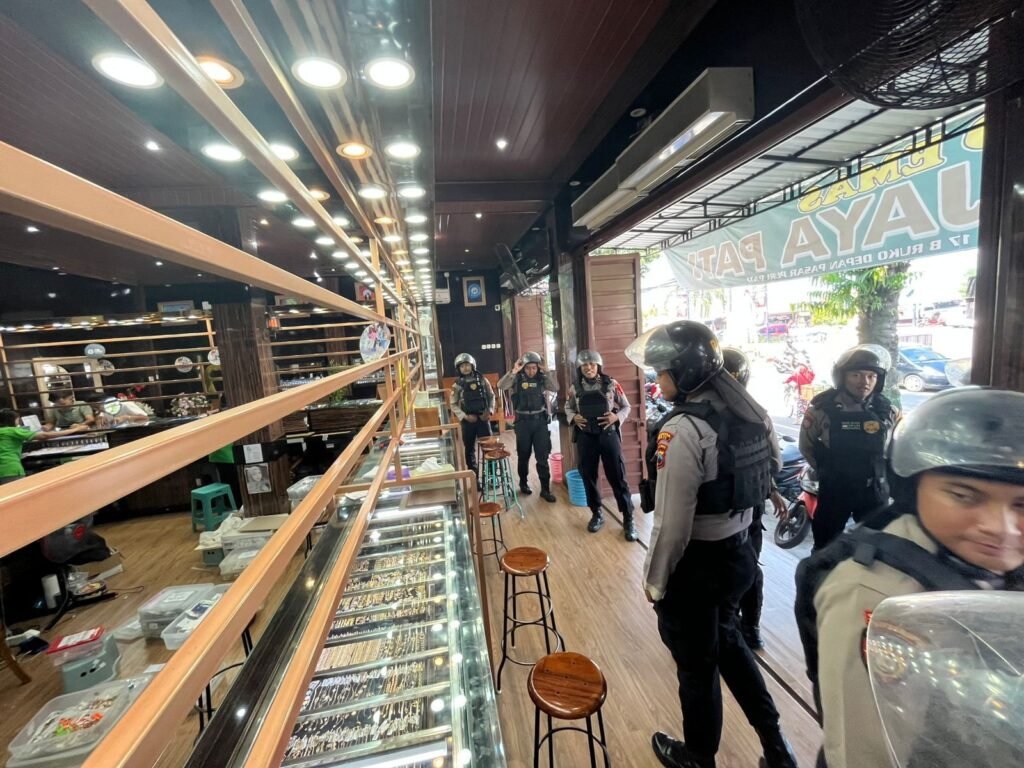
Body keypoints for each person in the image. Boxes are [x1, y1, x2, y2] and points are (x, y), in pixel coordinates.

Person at [801, 387, 1024, 768]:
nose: (1000, 527)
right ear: (911, 489)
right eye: (963, 495)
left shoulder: (995, 564)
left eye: (1021, 504)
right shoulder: (877, 593)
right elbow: (864, 749)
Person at [625, 322, 796, 768]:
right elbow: (774, 468)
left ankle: (699, 758)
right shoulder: (751, 414)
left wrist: (655, 582)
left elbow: (672, 524)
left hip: (697, 567)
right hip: (741, 554)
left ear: (684, 373)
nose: (656, 378)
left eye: (661, 371)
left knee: (697, 670)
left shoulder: (684, 429)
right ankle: (777, 745)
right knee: (732, 646)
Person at [798, 344, 899, 550]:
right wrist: (829, 471)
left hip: (874, 491)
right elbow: (806, 447)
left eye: (871, 376)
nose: (865, 382)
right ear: (842, 377)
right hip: (835, 490)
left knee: (873, 548)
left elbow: (896, 448)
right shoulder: (821, 410)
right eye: (856, 375)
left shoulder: (887, 411)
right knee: (825, 547)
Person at [722, 347, 788, 651]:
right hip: (742, 505)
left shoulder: (697, 418)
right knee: (746, 567)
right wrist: (769, 488)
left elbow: (770, 464)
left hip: (734, 508)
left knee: (744, 569)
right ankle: (743, 626)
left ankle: (744, 626)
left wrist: (770, 489)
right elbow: (773, 462)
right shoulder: (757, 415)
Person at [564, 349, 636, 540]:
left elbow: (627, 406)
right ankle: (597, 513)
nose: (588, 368)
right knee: (588, 476)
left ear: (598, 366)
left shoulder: (612, 383)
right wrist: (574, 417)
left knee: (617, 476)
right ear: (580, 368)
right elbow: (568, 407)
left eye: (592, 364)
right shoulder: (574, 387)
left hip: (608, 435)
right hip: (586, 437)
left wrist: (616, 417)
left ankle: (628, 518)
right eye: (585, 365)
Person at [497, 351, 558, 502]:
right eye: (528, 368)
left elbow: (555, 387)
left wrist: (547, 371)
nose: (531, 371)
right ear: (523, 367)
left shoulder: (542, 378)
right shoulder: (516, 378)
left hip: (540, 422)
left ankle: (545, 489)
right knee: (523, 455)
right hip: (523, 422)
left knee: (542, 456)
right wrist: (514, 371)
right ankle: (523, 483)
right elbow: (501, 386)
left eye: (534, 368)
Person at [0, 408, 87, 483]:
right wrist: (76, 429)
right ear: (12, 421)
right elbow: (44, 436)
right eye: (17, 420)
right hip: (9, 470)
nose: (18, 423)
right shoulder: (12, 431)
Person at [449, 353, 495, 478]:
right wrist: (465, 416)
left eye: (467, 365)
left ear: (472, 365)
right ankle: (474, 477)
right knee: (469, 450)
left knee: (489, 448)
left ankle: (491, 477)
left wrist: (489, 411)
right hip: (468, 421)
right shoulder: (457, 385)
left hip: (483, 419)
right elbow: (453, 404)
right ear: (458, 368)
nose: (465, 368)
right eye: (462, 366)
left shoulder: (483, 380)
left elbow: (491, 396)